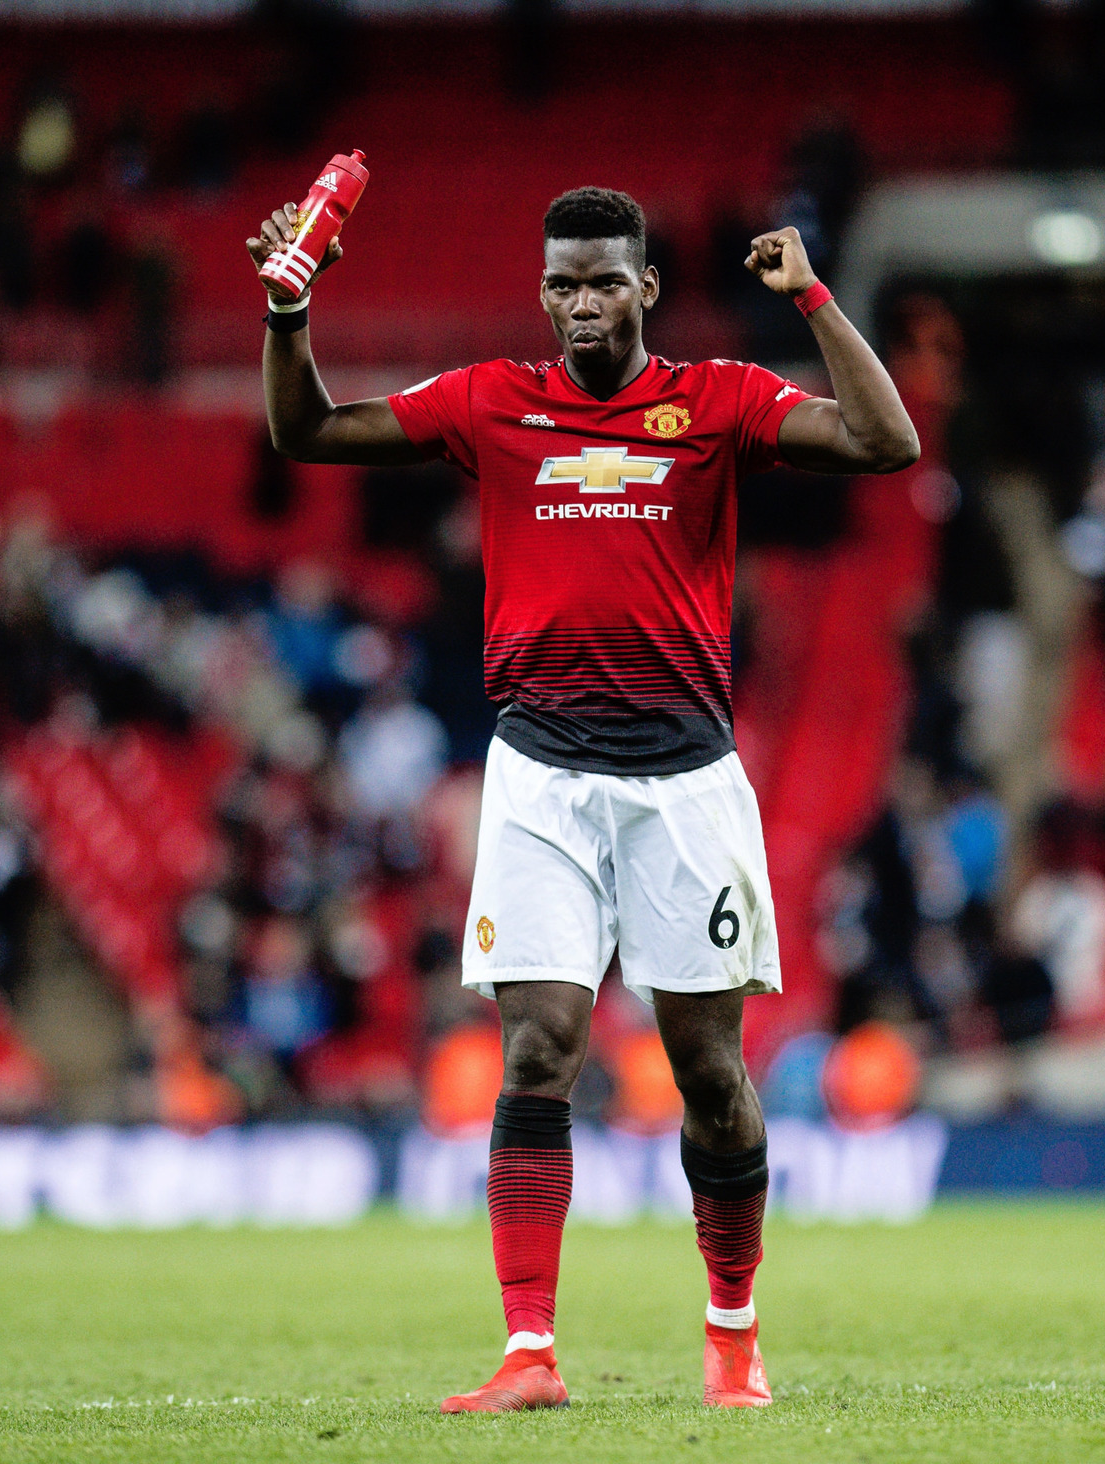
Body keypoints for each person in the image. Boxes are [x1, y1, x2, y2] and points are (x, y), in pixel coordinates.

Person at [247, 186, 918, 1412]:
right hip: (540, 774)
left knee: (710, 1074)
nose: (581, 304)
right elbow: (307, 434)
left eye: (605, 281)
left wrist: (810, 300)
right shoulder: (491, 400)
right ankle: (527, 1353)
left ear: (645, 289)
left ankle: (731, 1332)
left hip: (683, 778)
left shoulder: (716, 399)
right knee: (537, 1049)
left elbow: (886, 444)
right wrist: (290, 313)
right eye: (562, 283)